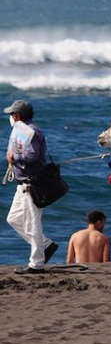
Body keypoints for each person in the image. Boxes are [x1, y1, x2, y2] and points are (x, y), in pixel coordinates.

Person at [4, 99, 58, 274]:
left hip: (32, 183)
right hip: (23, 183)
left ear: (18, 115)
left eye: (12, 114)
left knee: (33, 223)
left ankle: (36, 264)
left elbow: (32, 155)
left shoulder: (32, 132)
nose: (11, 117)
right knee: (12, 218)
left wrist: (14, 159)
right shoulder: (23, 129)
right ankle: (45, 245)